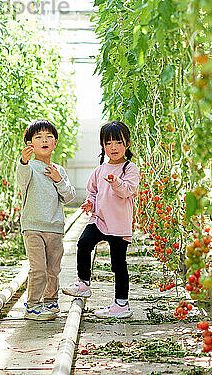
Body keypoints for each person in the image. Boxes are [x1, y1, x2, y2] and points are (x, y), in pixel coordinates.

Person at [62, 121, 140, 319]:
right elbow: (93, 193)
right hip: (99, 220)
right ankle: (84, 283)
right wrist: (90, 203)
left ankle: (121, 304)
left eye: (118, 143)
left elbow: (127, 191)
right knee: (83, 243)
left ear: (127, 144)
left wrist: (116, 182)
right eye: (108, 143)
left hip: (119, 224)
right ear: (103, 146)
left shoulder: (130, 169)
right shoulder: (99, 170)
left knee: (118, 264)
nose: (113, 148)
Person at [16, 120, 76, 320]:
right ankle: (32, 305)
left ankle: (50, 301)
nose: (44, 140)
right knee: (38, 268)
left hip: (55, 228)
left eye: (49, 137)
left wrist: (59, 180)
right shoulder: (29, 167)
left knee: (53, 269)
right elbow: (22, 181)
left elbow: (69, 197)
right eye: (38, 137)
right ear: (30, 144)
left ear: (55, 143)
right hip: (32, 227)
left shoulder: (58, 170)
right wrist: (23, 163)